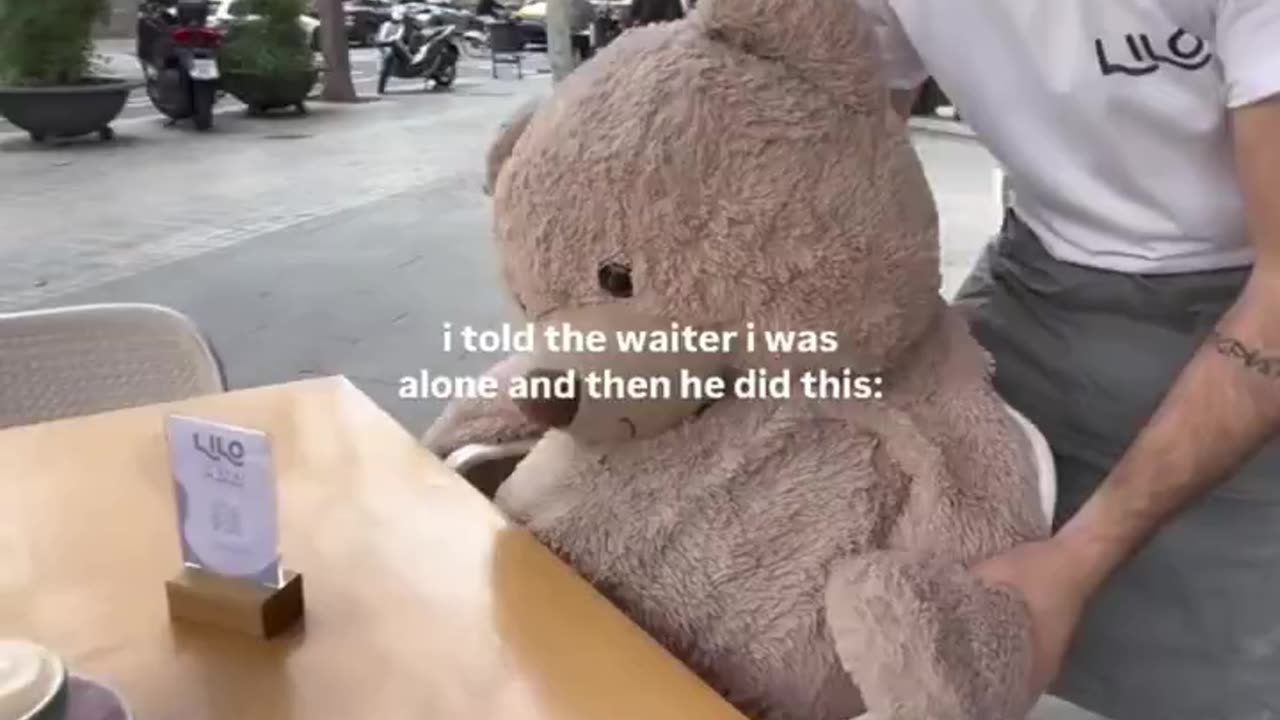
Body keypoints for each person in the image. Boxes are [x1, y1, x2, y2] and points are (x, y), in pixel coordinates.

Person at [854, 2, 1280, 719]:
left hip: (1237, 303)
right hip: (1037, 268)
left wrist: (1078, 562)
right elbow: (836, 164)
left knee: (1222, 673)